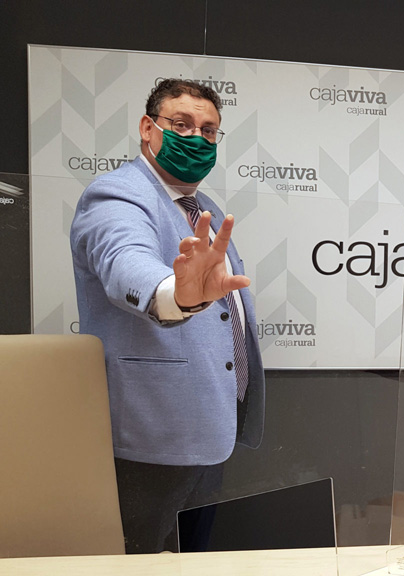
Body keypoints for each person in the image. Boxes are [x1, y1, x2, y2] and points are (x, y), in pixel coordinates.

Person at [70, 79, 264, 553]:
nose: (196, 138)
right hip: (151, 441)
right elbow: (124, 261)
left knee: (190, 562)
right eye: (181, 125)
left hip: (211, 432)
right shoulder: (117, 195)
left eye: (208, 130)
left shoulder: (204, 208)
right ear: (148, 128)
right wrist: (177, 295)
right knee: (140, 561)